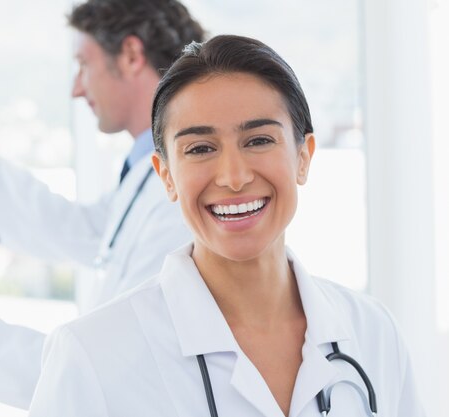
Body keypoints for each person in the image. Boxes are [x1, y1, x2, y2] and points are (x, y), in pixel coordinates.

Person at [27, 35, 425, 417]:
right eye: (200, 149)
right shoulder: (91, 355)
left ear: (303, 157)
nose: (233, 177)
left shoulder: (373, 332)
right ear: (166, 176)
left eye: (259, 140)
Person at [0, 0, 204, 409]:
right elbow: (82, 231)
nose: (76, 87)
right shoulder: (148, 171)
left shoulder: (183, 193)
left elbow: (106, 368)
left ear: (130, 55)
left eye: (83, 64)